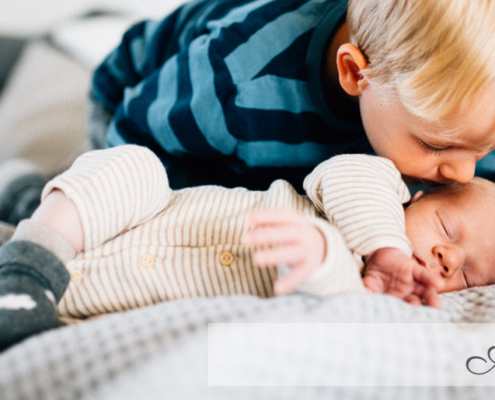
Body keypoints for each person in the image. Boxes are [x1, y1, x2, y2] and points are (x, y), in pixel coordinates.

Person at [2, 0, 495, 225]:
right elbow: (130, 147)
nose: (463, 171)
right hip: (149, 115)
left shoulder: (452, 109)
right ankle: (26, 193)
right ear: (356, 74)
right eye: (437, 145)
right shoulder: (235, 81)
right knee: (123, 215)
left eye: (484, 145)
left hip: (287, 131)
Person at [3, 145, 495, 351]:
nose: (449, 258)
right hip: (131, 218)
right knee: (137, 168)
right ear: (417, 197)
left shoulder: (381, 303)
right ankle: (28, 254)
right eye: (447, 229)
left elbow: (337, 302)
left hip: (99, 308)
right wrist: (385, 246)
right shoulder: (378, 189)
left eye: (469, 273)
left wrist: (325, 257)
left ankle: (23, 256)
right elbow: (346, 174)